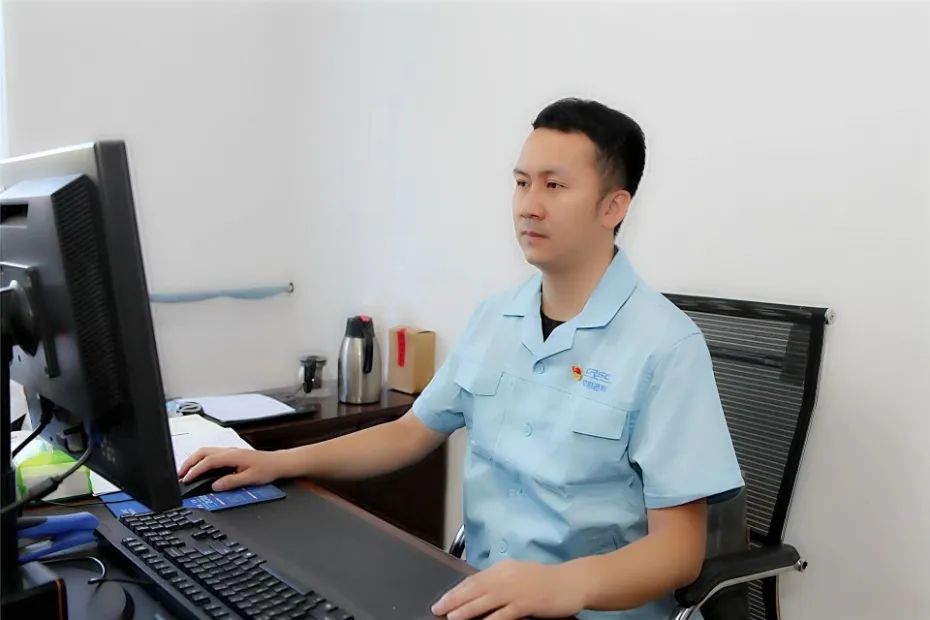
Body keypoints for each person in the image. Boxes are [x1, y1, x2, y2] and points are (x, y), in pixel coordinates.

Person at [179, 98, 744, 620]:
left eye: (554, 185)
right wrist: (279, 461)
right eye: (521, 183)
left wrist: (562, 586)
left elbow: (679, 552)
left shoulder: (666, 346)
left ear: (612, 206)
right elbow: (409, 433)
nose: (529, 206)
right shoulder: (495, 318)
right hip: (474, 595)